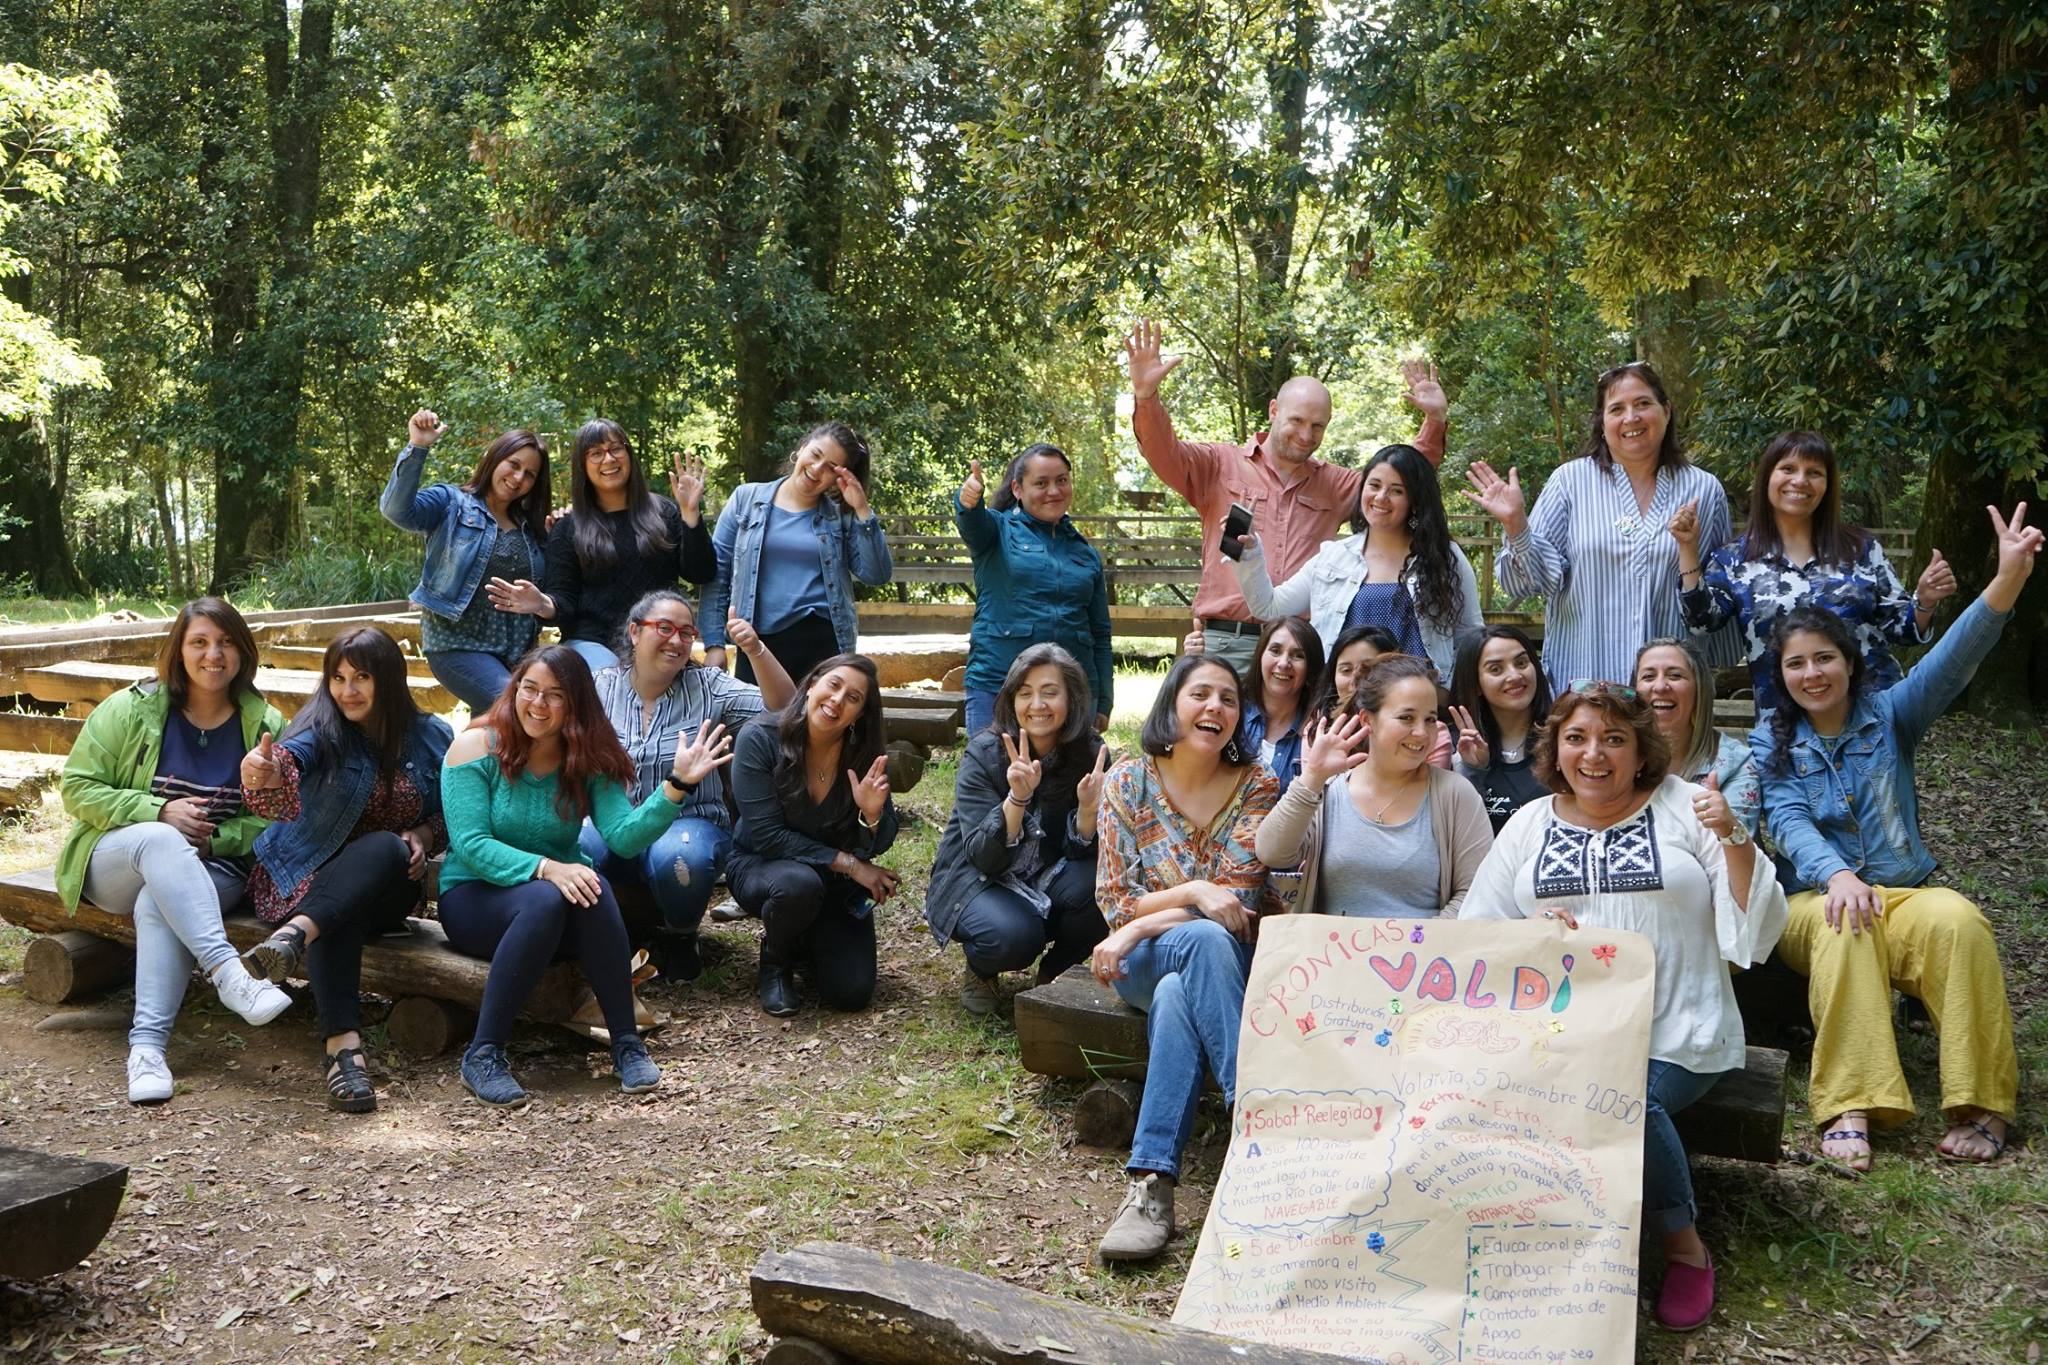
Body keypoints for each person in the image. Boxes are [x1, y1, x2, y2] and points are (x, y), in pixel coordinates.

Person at [1462, 682, 1787, 1331]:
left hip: (1676, 1028)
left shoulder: (1686, 808)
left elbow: (1754, 925)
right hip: (1562, 1038)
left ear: (1641, 750)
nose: (1594, 753)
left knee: (1623, 1097)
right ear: (1556, 748)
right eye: (1577, 738)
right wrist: (1534, 933)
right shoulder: (1530, 822)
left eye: (1614, 738)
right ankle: (1549, 1256)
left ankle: (1684, 1249)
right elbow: (1480, 930)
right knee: (1547, 1090)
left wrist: (1736, 838)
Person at [1752, 502, 2039, 1171]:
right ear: (1782, 675)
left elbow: (1957, 655)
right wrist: (1837, 875)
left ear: (1851, 665)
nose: (1812, 673)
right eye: (1797, 664)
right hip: (1809, 903)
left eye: (1825, 658)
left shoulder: (1892, 714)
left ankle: (1982, 1101)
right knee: (1844, 920)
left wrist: (2008, 578)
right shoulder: (1772, 739)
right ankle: (1851, 1102)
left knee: (1959, 918)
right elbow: (1788, 821)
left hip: (1901, 896)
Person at [438, 645, 735, 1107]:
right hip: (477, 901)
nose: (537, 704)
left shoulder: (587, 758)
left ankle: (626, 1044)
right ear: (514, 690)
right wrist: (546, 867)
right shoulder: (474, 747)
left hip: (551, 905)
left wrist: (676, 786)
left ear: (576, 703)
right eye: (529, 689)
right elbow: (471, 845)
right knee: (551, 895)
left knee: (588, 887)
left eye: (554, 695)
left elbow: (623, 837)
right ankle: (484, 1054)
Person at [55, 597, 292, 1105]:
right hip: (116, 861)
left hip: (214, 869)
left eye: (227, 642)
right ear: (178, 652)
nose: (214, 655)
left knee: (156, 903)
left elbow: (277, 814)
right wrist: (156, 811)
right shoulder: (133, 708)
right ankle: (230, 974)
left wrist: (215, 838)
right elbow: (77, 787)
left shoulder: (263, 722)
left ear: (243, 652)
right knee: (162, 839)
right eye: (200, 642)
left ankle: (146, 1050)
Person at [1091, 654, 1282, 1262]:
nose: (1216, 708)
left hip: (1225, 961)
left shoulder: (1259, 785)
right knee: (1194, 945)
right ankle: (1259, 1126)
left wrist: (1143, 922)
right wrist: (1193, 893)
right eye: (1201, 694)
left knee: (1184, 983)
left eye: (1229, 699)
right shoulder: (1128, 781)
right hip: (1141, 963)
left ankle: (1151, 1185)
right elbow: (1117, 899)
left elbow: (1241, 907)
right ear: (1171, 703)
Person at [1124, 318, 1446, 674]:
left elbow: (1400, 479)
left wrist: (1435, 419)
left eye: (1317, 426)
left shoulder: (1335, 484)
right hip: (1227, 642)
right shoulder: (1217, 464)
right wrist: (1146, 397)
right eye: (1297, 420)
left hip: (1299, 646)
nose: (1306, 435)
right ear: (1274, 411)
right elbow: (1161, 451)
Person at [236, 626, 453, 1113]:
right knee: (340, 913)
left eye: (361, 677)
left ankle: (294, 939)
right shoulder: (320, 730)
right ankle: (344, 1054)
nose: (347, 691)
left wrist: (423, 837)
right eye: (337, 677)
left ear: (390, 680)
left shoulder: (432, 736)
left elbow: (452, 815)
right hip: (305, 881)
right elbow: (286, 767)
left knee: (386, 848)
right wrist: (265, 773)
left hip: (392, 888)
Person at [1468, 361, 1739, 687]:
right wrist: (1516, 527)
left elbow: (1716, 597)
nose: (1631, 418)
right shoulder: (1570, 482)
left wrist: (1721, 663)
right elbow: (1525, 585)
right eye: (1617, 409)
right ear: (1602, 422)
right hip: (1585, 682)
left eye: (1643, 404)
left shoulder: (1703, 489)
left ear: (1666, 411)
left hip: (1669, 692)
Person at [579, 590, 794, 981]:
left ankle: (680, 935)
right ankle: (603, 930)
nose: (677, 640)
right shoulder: (597, 688)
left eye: (686, 632)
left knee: (681, 857)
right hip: (612, 819)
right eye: (664, 628)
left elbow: (784, 709)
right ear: (633, 631)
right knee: (576, 845)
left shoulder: (709, 686)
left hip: (689, 820)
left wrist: (755, 650)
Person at [1675, 430, 1957, 710]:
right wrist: (1688, 548)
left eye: (1814, 472)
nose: (1800, 481)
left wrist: (1925, 600)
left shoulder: (1862, 548)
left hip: (1873, 718)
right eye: (1788, 469)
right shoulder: (1733, 558)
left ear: (1828, 484)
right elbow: (1702, 622)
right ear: (1766, 479)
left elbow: (1902, 630)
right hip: (1786, 725)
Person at [925, 645, 1111, 1015]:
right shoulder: (985, 752)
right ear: (1011, 700)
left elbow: (1085, 855)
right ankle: (981, 969)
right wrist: (1017, 798)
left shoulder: (1090, 752)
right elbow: (981, 856)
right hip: (980, 879)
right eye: (1024, 693)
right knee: (1014, 937)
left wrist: (1089, 810)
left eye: (1050, 692)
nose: (1037, 704)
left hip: (1046, 872)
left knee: (1102, 890)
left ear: (1071, 698)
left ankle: (1056, 974)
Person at [727, 654, 900, 1017]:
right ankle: (776, 960)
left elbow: (881, 840)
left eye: (853, 698)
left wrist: (871, 814)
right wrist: (851, 865)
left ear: (860, 714)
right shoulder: (759, 738)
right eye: (833, 686)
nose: (837, 700)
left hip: (833, 884)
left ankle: (804, 934)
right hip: (765, 865)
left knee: (851, 993)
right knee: (798, 886)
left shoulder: (863, 754)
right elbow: (768, 836)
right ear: (811, 685)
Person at [1257, 655, 1493, 916]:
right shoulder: (1329, 792)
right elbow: (1272, 853)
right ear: (1367, 720)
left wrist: (1412, 945)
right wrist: (1312, 777)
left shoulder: (1456, 794)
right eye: (1406, 718)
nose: (1422, 733)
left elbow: (1475, 892)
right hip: (1333, 953)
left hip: (1425, 952)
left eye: (1429, 719)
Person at [1234, 442, 1482, 682]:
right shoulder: (1333, 556)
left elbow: (1470, 636)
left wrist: (1452, 695)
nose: (1381, 497)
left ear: (1415, 501)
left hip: (1418, 706)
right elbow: (1270, 608)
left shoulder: (1444, 556)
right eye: (1374, 485)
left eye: (1397, 490)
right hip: (1343, 704)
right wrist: (1249, 552)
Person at [378, 412, 554, 712]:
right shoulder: (451, 503)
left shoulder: (533, 527)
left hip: (518, 653)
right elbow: (397, 511)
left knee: (497, 735)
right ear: (495, 459)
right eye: (513, 465)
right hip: (457, 644)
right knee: (512, 707)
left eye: (529, 474)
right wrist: (418, 447)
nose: (518, 478)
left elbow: (552, 590)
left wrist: (559, 535)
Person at [700, 422, 892, 686]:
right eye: (815, 455)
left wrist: (861, 509)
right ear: (801, 449)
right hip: (755, 642)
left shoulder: (840, 516)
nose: (816, 469)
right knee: (754, 727)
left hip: (823, 645)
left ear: (838, 478)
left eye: (830, 467)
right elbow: (717, 573)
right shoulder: (746, 499)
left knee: (816, 726)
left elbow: (877, 575)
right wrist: (713, 643)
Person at [524, 419, 715, 672]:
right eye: (595, 453)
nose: (608, 459)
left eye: (616, 448)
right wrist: (541, 603)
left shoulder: (664, 512)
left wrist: (690, 514)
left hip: (659, 638)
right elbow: (564, 603)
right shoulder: (568, 528)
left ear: (628, 455)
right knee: (617, 689)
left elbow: (701, 573)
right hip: (593, 645)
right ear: (582, 465)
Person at [954, 444, 1113, 736]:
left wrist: (1103, 700)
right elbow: (973, 524)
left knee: (1067, 781)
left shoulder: (1085, 553)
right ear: (1017, 488)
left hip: (1072, 693)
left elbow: (1100, 632)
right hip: (997, 684)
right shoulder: (997, 532)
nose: (1054, 491)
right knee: (991, 777)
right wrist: (967, 502)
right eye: (1041, 483)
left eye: (1061, 480)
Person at [1634, 638, 1758, 838]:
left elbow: (1733, 855)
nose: (1660, 686)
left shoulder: (1735, 763)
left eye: (1675, 676)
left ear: (1699, 688)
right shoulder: (1621, 757)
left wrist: (1726, 825)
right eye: (1648, 677)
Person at [1447, 625, 1554, 833]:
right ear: (1475, 684)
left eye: (1522, 663)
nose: (1514, 675)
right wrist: (1472, 769)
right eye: (1496, 669)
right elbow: (1457, 832)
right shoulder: (1453, 745)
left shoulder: (1563, 739)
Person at [1231, 616, 1323, 786]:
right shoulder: (1232, 714)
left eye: (1298, 655)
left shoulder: (1319, 731)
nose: (1283, 663)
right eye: (1275, 650)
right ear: (1260, 655)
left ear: (1311, 668)